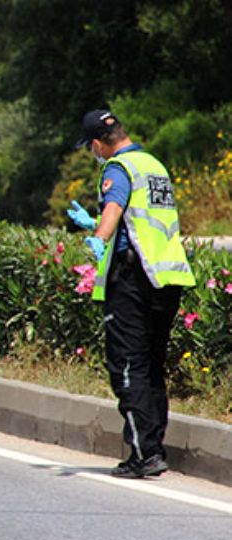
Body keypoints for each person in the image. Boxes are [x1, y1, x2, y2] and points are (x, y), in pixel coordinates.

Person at [66, 109, 195, 479]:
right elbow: (141, 218)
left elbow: (116, 204)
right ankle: (153, 447)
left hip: (133, 277)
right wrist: (100, 224)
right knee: (151, 365)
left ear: (96, 143)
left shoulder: (118, 168)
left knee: (126, 365)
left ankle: (143, 455)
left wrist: (98, 236)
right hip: (166, 277)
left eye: (90, 149)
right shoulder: (153, 164)